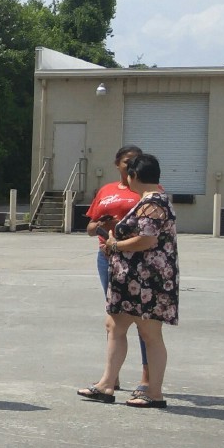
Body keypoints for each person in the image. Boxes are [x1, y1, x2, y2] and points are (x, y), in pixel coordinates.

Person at [79, 153, 178, 409]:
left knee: (150, 333)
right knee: (114, 326)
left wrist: (115, 245)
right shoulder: (147, 200)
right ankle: (106, 385)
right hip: (130, 279)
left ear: (134, 176)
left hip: (149, 281)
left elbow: (147, 240)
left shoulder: (154, 202)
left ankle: (154, 393)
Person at [85, 145, 148, 398]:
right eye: (126, 161)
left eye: (135, 162)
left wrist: (123, 228)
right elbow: (90, 227)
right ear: (117, 163)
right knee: (113, 318)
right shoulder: (106, 190)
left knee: (144, 319)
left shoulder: (147, 191)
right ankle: (112, 376)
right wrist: (102, 224)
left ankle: (146, 377)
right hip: (107, 258)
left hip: (137, 261)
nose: (130, 166)